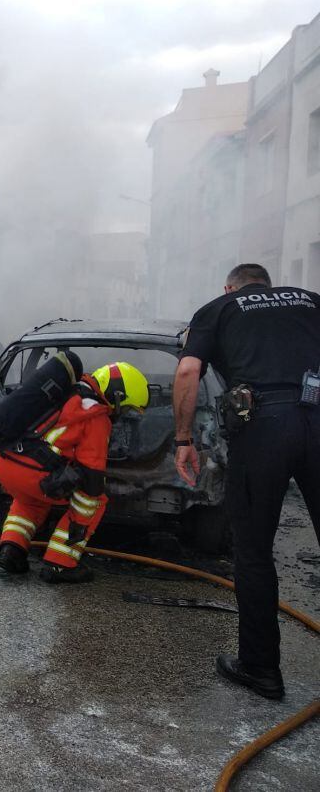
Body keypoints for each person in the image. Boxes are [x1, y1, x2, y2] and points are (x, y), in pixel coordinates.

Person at [173, 263, 320, 700]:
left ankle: (261, 670)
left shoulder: (219, 309)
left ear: (229, 287)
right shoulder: (310, 302)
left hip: (263, 430)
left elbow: (187, 372)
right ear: (269, 285)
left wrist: (184, 440)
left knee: (254, 553)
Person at [0, 362, 149, 583]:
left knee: (30, 501)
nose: (121, 414)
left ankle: (12, 549)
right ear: (117, 396)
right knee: (93, 502)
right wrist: (82, 515)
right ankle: (60, 563)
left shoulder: (64, 390)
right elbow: (92, 471)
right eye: (125, 408)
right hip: (32, 473)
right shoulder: (96, 415)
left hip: (5, 461)